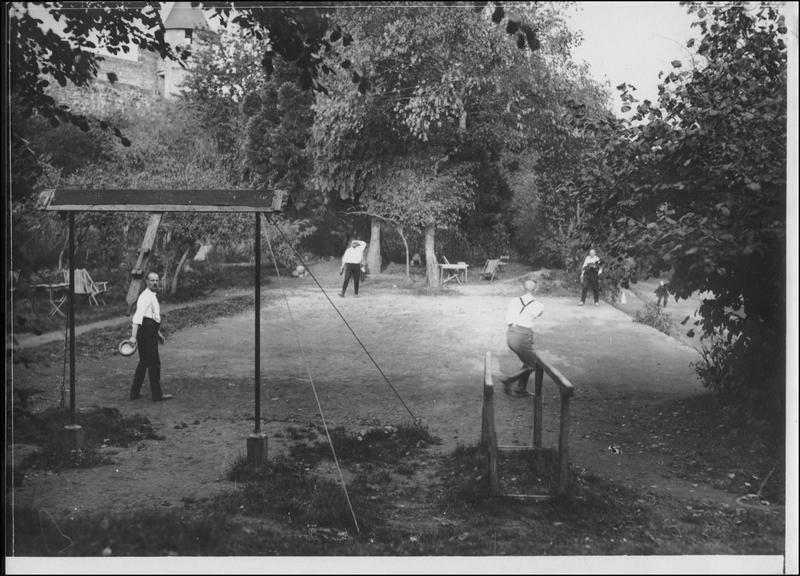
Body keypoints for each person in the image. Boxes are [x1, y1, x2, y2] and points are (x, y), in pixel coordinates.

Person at [128, 272, 172, 401]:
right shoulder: (145, 296)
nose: (155, 283)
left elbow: (152, 316)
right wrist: (133, 337)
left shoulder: (151, 296)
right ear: (147, 282)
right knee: (154, 363)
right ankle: (157, 395)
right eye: (152, 280)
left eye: (157, 280)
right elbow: (138, 317)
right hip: (145, 333)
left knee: (144, 363)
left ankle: (134, 393)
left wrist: (157, 333)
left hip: (150, 331)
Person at [501, 279, 544, 397]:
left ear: (523, 289)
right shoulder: (538, 305)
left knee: (528, 361)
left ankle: (521, 388)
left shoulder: (514, 300)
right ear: (535, 289)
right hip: (522, 337)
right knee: (536, 363)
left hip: (510, 335)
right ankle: (509, 379)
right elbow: (539, 313)